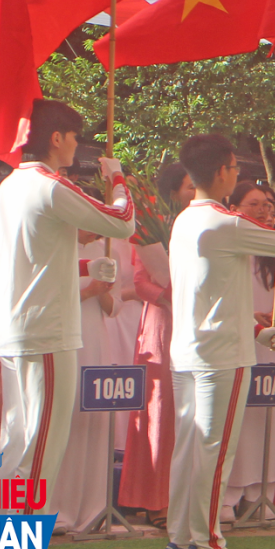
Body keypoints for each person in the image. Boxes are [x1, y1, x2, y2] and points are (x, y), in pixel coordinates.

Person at [0, 101, 135, 547]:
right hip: (46, 329)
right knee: (41, 443)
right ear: (56, 138)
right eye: (74, 136)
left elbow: (43, 253)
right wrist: (115, 177)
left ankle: (5, 544)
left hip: (19, 326)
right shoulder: (48, 184)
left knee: (17, 440)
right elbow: (123, 221)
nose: (77, 145)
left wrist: (85, 251)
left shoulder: (10, 185)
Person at [163, 133, 275, 549]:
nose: (237, 175)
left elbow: (219, 292)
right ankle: (206, 548)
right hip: (220, 355)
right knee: (213, 450)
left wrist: (258, 330)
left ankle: (179, 542)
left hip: (191, 350)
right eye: (234, 168)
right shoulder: (223, 221)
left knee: (191, 449)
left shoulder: (185, 219)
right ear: (222, 170)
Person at [221, 183, 275, 523]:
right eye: (252, 204)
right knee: (239, 416)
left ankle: (263, 495)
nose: (261, 210)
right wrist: (249, 316)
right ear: (234, 206)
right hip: (239, 341)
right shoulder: (230, 243)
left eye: (266, 205)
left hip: (272, 343)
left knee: (269, 417)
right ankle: (228, 497)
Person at [120, 163, 193, 522]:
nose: (194, 192)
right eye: (189, 185)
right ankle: (154, 499)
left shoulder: (196, 224)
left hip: (194, 322)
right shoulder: (152, 226)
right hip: (163, 324)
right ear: (173, 190)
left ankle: (185, 497)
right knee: (161, 412)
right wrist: (169, 294)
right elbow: (139, 281)